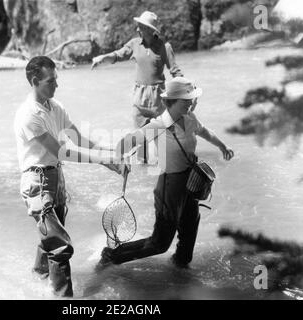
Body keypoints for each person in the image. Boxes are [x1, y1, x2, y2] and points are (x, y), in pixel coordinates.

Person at [14, 56, 127, 297]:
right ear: (35, 81)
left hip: (55, 178)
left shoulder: (56, 107)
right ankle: (63, 297)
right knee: (60, 244)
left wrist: (109, 154)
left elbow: (77, 138)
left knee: (51, 237)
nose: (57, 85)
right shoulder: (28, 115)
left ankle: (37, 279)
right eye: (51, 81)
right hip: (37, 182)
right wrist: (101, 160)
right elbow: (60, 150)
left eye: (56, 79)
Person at [97, 77, 234, 269]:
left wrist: (222, 146)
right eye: (186, 100)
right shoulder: (157, 126)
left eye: (191, 99)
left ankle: (180, 267)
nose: (191, 102)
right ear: (172, 102)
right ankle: (111, 256)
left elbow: (205, 132)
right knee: (159, 244)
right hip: (169, 186)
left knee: (190, 227)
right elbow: (125, 144)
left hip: (190, 183)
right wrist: (122, 160)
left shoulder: (190, 118)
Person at [92, 11, 183, 163]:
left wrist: (186, 93)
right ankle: (143, 173)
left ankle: (167, 171)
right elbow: (118, 55)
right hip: (139, 100)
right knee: (140, 141)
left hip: (158, 101)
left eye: (140, 26)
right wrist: (103, 58)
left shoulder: (165, 47)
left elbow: (175, 71)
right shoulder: (134, 44)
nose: (137, 29)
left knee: (162, 143)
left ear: (149, 29)